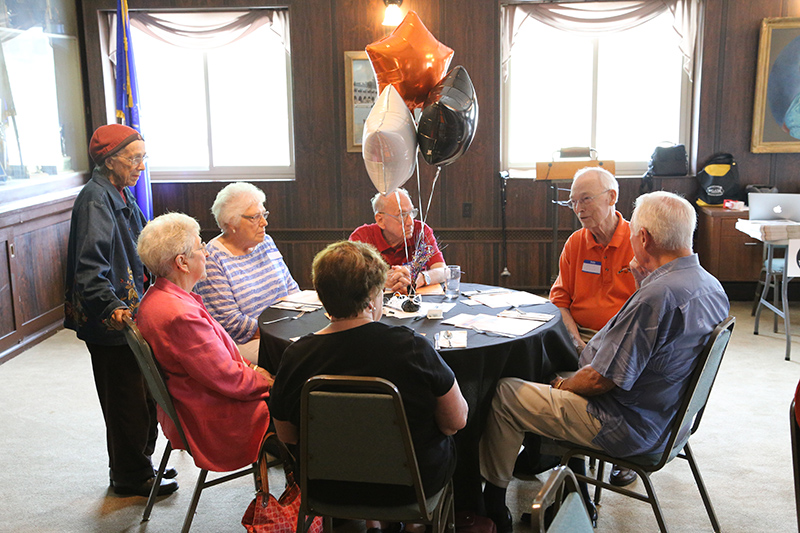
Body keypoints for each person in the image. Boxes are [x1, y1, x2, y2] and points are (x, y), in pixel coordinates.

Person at [479, 191, 730, 533]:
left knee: (508, 393)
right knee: (559, 375)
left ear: (644, 238)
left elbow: (601, 380)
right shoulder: (710, 286)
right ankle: (573, 489)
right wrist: (643, 283)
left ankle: (491, 506)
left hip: (627, 425)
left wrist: (564, 386)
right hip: (671, 419)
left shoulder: (657, 297)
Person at [270, 241, 467, 520]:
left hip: (326, 489)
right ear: (374, 295)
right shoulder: (412, 348)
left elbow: (287, 436)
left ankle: (371, 525)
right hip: (411, 489)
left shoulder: (296, 356)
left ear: (322, 295)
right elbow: (455, 422)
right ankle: (414, 525)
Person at [64, 124, 177, 498]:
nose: (141, 165)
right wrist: (111, 305)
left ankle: (140, 465)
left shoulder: (120, 193)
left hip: (132, 314)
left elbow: (144, 240)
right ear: (111, 160)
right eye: (135, 158)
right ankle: (130, 475)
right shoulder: (95, 200)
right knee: (126, 401)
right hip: (111, 320)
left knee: (144, 395)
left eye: (143, 157)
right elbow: (88, 268)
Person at [136, 212, 273, 472]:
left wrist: (254, 371)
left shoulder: (158, 298)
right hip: (213, 414)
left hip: (199, 400)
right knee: (305, 409)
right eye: (201, 246)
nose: (207, 253)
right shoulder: (178, 315)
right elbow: (227, 378)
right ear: (182, 263)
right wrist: (265, 381)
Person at [541, 166, 639, 487]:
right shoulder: (576, 243)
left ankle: (625, 451)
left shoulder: (638, 242)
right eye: (573, 203)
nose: (579, 209)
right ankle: (566, 461)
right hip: (578, 333)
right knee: (537, 363)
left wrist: (602, 346)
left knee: (615, 379)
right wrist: (574, 340)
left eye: (585, 200)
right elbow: (560, 301)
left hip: (622, 338)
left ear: (612, 197)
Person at [194, 182, 299, 364]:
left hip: (285, 329)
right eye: (255, 217)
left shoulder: (265, 242)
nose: (264, 222)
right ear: (231, 222)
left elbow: (291, 288)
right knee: (303, 356)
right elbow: (231, 322)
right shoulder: (213, 258)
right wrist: (280, 333)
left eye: (264, 214)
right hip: (246, 342)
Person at [349, 188, 446, 293]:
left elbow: (444, 271)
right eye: (402, 215)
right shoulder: (362, 237)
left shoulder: (420, 231)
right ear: (380, 220)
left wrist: (419, 278)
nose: (410, 222)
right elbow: (349, 277)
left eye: (412, 213)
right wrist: (380, 279)